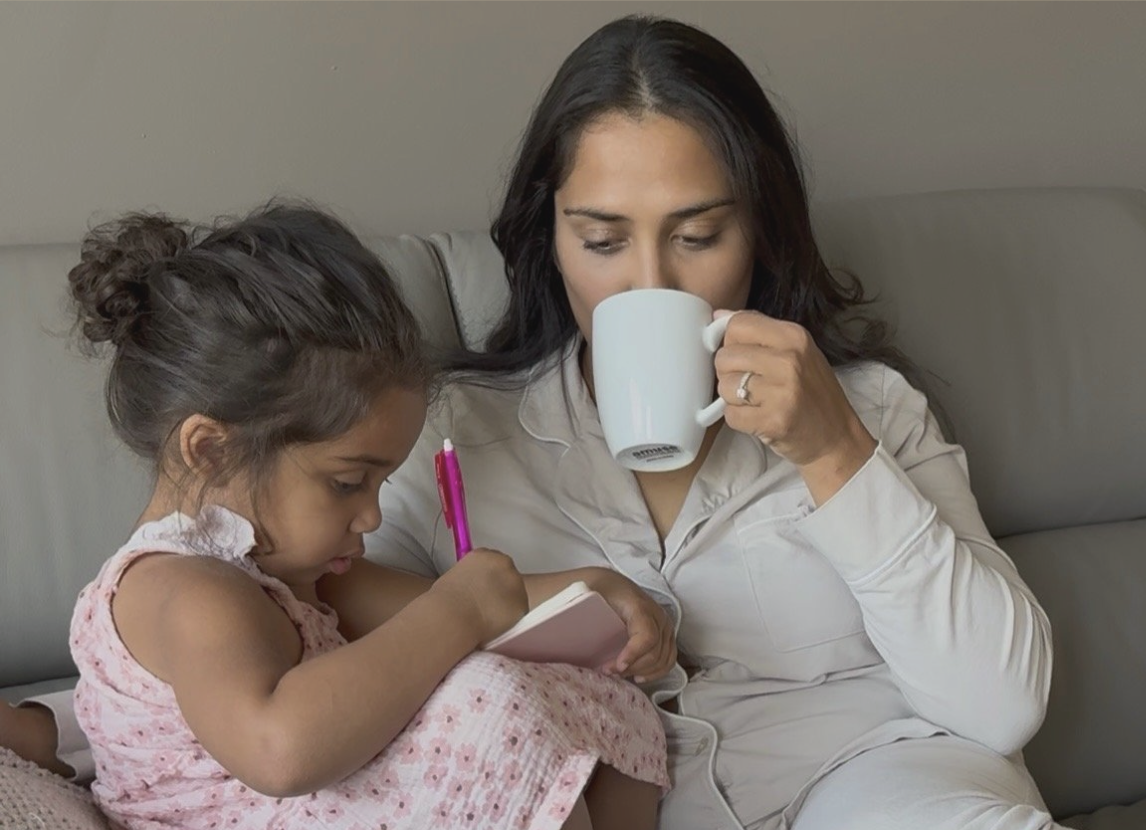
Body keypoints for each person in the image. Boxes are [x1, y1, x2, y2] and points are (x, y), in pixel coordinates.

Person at [5, 13, 1067, 830]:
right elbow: (280, 647)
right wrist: (50, 732)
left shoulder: (866, 408)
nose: (651, 283)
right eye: (602, 238)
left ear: (760, 233)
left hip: (869, 779)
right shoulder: (442, 429)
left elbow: (1000, 704)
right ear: (544, 237)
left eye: (696, 235)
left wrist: (834, 451)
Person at [13, 202, 669, 830]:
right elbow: (279, 750)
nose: (371, 516)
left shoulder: (290, 569)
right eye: (348, 482)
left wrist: (592, 591)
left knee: (582, 692)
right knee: (489, 704)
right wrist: (458, 616)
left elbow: (467, 602)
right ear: (211, 450)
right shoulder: (183, 591)